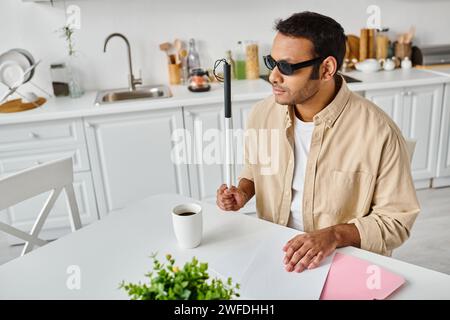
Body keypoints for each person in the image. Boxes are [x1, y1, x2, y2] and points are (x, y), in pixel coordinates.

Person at [216, 11, 420, 273]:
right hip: (275, 251)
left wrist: (333, 236)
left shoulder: (379, 132)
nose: (273, 77)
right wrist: (243, 191)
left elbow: (396, 222)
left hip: (344, 261)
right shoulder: (262, 114)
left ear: (326, 69)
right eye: (272, 62)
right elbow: (255, 170)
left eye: (287, 67)